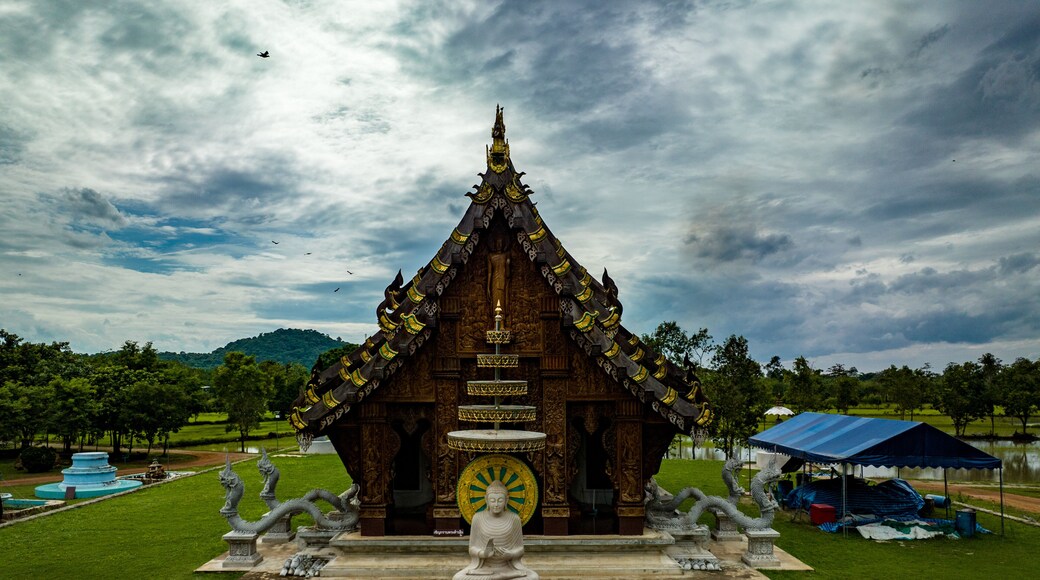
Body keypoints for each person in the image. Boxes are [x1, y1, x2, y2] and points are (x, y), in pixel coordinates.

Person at [454, 480, 538, 580]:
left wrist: (511, 554)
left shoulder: (514, 518)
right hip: (484, 569)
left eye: (500, 500)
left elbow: (520, 549)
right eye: (492, 500)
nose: (496, 504)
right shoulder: (477, 518)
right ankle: (500, 577)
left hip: (508, 568)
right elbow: (472, 549)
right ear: (486, 500)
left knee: (533, 577)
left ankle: (501, 576)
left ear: (506, 500)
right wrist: (483, 553)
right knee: (458, 578)